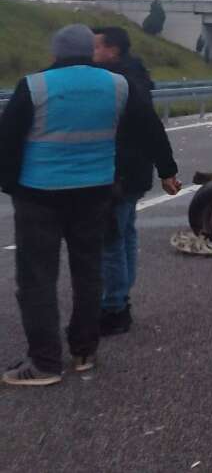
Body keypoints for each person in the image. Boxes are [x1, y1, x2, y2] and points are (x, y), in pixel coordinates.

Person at [0, 25, 166, 385]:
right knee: (89, 273)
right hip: (95, 193)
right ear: (89, 51)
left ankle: (44, 363)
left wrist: (10, 185)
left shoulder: (35, 85)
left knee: (37, 278)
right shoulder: (118, 86)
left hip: (39, 194)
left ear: (56, 51)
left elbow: (7, 139)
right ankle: (84, 352)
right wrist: (164, 169)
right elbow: (149, 128)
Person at [92, 26, 180, 335]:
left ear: (112, 50)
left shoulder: (119, 84)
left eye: (96, 47)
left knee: (111, 240)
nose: (92, 52)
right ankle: (121, 297)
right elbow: (152, 128)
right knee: (125, 233)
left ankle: (114, 307)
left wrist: (167, 169)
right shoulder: (136, 76)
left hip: (120, 172)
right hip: (135, 171)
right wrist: (165, 170)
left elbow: (150, 126)